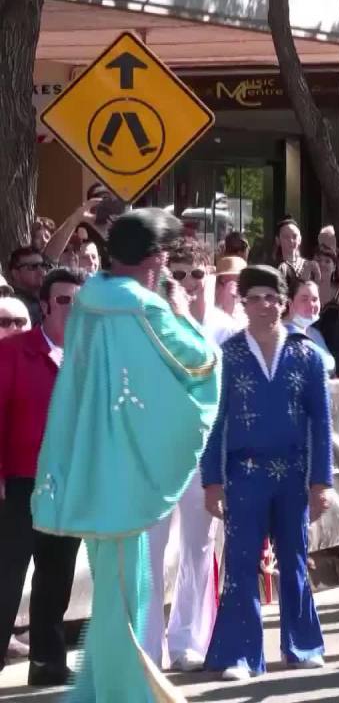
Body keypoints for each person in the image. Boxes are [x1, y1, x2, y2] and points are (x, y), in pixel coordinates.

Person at [32, 208, 220, 701]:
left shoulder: (90, 296)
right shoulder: (144, 306)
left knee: (116, 592)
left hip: (89, 462)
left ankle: (96, 688)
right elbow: (201, 364)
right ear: (156, 259)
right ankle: (122, 693)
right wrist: (180, 311)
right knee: (123, 595)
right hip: (126, 469)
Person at [201, 265, 333, 681]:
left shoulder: (306, 353)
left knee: (294, 556)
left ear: (284, 302)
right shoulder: (228, 355)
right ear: (243, 302)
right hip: (244, 473)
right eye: (255, 297)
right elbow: (214, 422)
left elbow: (322, 423)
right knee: (240, 561)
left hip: (293, 472)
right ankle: (238, 654)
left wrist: (321, 481)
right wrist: (212, 480)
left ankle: (302, 644)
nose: (264, 305)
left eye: (272, 298)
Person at [141, 239, 226, 672]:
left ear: (210, 275)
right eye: (178, 273)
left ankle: (188, 641)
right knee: (150, 551)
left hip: (204, 456)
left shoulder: (227, 328)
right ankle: (148, 644)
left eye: (196, 273)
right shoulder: (145, 323)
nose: (188, 282)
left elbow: (215, 379)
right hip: (155, 456)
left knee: (198, 548)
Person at [0, 268, 84, 686]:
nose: (73, 308)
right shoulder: (14, 351)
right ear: (47, 304)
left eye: (79, 301)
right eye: (64, 300)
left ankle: (47, 662)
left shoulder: (91, 360)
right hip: (17, 484)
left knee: (56, 577)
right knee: (6, 575)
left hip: (69, 487)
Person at [285, 279, 335, 375]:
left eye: (315, 299)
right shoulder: (280, 335)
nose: (311, 304)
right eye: (304, 299)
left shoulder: (315, 334)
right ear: (290, 303)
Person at [7, 246, 48, 325]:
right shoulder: (10, 304)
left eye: (43, 265)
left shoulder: (50, 296)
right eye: (33, 267)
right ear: (15, 273)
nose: (41, 271)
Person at [275, 219, 321, 288]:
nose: (291, 240)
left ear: (300, 239)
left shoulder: (311, 266)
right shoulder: (274, 267)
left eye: (294, 236)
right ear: (278, 240)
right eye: (286, 237)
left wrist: (317, 277)